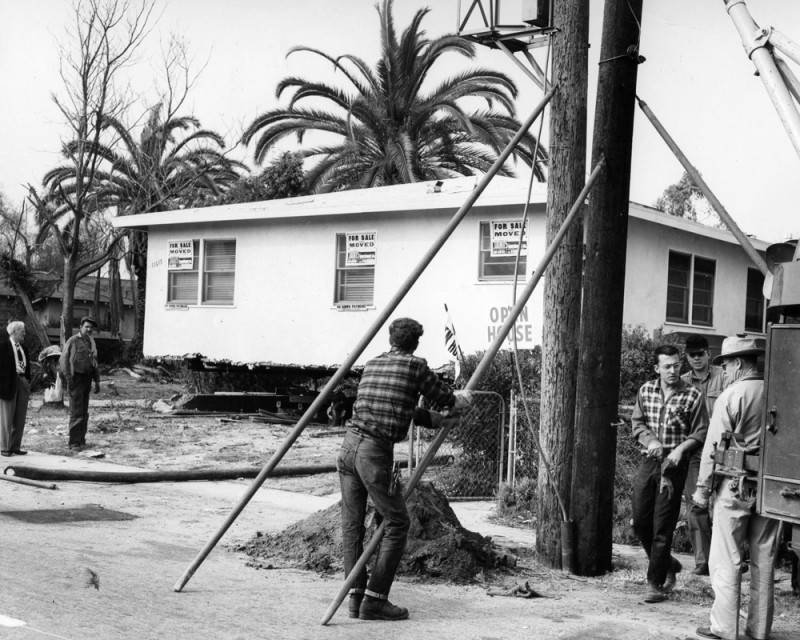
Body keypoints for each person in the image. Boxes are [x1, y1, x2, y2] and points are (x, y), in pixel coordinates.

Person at [337, 317, 471, 621]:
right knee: (397, 523)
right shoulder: (415, 366)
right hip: (373, 453)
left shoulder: (373, 365)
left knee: (352, 527)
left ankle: (356, 598)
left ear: (390, 339)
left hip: (347, 448)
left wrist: (436, 420)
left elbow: (400, 408)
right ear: (416, 343)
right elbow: (445, 398)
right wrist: (459, 401)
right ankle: (375, 600)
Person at [692, 335, 780, 640]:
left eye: (726, 365)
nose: (725, 372)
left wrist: (702, 490)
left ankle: (724, 629)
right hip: (770, 489)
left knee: (726, 558)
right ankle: (758, 630)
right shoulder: (780, 392)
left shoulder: (732, 395)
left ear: (740, 364)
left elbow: (712, 448)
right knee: (764, 560)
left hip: (734, 486)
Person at [631, 343, 709, 603]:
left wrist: (680, 450)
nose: (673, 370)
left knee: (662, 526)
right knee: (640, 521)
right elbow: (638, 422)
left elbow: (700, 431)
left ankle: (654, 583)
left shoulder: (693, 395)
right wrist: (651, 441)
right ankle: (669, 563)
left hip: (674, 468)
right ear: (657, 368)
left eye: (677, 365)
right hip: (649, 462)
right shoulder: (646, 391)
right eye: (667, 366)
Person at [681, 334, 726, 576]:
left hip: (723, 450)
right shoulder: (681, 382)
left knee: (726, 505)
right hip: (695, 451)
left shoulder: (724, 377)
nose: (697, 359)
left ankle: (730, 558)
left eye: (700, 354)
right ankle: (703, 561)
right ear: (686, 357)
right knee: (696, 505)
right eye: (692, 355)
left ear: (708, 353)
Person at [59, 316, 101, 451]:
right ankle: (74, 443)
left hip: (87, 379)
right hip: (75, 379)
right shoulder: (73, 341)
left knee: (84, 411)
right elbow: (64, 361)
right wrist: (68, 380)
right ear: (81, 327)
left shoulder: (91, 342)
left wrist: (97, 380)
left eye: (91, 327)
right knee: (76, 411)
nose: (89, 329)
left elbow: (94, 363)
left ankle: (81, 439)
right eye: (86, 327)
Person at [0, 321, 31, 456]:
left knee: (20, 417)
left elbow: (27, 366)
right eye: (22, 330)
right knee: (6, 417)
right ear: (13, 332)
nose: (24, 333)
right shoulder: (3, 347)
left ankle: (15, 446)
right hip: (8, 384)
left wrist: (27, 381)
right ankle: (5, 448)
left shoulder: (23, 347)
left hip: (22, 381)